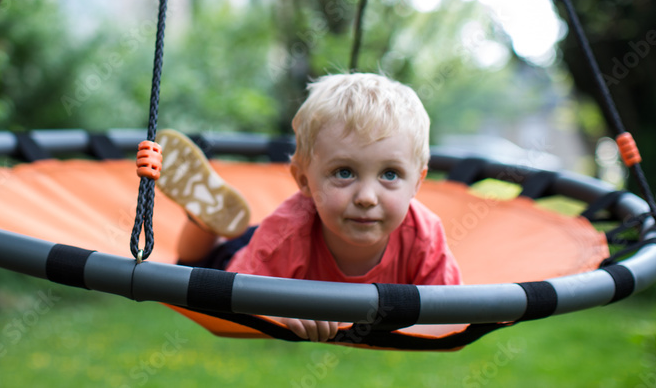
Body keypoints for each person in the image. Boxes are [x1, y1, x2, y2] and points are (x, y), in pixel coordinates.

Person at [155, 72, 462, 342]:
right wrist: (278, 312)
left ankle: (212, 220)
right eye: (344, 172)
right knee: (196, 265)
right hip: (254, 256)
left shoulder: (424, 234)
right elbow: (237, 295)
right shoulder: (285, 234)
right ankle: (203, 222)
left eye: (390, 174)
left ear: (418, 182)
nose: (367, 197)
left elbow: (451, 312)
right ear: (303, 179)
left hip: (281, 249)